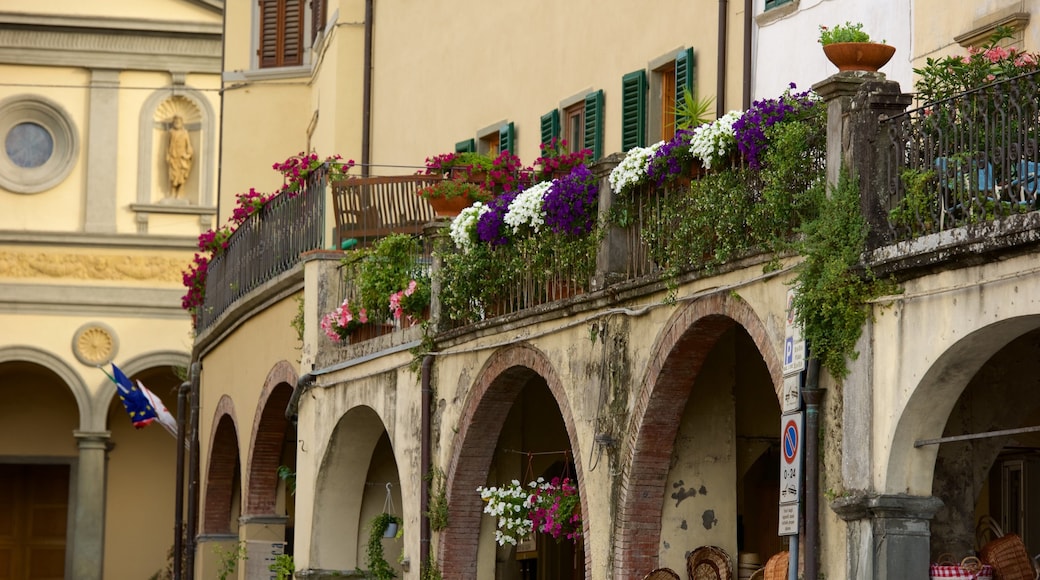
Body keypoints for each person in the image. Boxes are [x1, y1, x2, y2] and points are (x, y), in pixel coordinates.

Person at [165, 115, 193, 199]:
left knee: (181, 176)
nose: (177, 123)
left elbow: (188, 145)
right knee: (173, 176)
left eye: (178, 121)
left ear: (181, 123)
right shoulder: (171, 132)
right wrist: (167, 154)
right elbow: (168, 144)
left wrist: (188, 154)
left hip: (182, 157)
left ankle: (179, 193)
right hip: (173, 157)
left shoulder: (185, 133)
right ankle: (172, 193)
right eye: (175, 121)